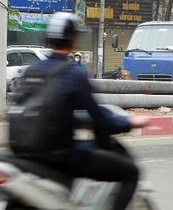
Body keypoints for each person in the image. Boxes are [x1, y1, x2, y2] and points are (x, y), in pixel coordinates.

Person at [14, 12, 150, 210]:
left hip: (25, 153)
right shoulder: (72, 73)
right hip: (61, 154)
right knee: (131, 172)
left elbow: (44, 111)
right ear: (73, 39)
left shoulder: (31, 71)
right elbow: (100, 119)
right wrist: (129, 122)